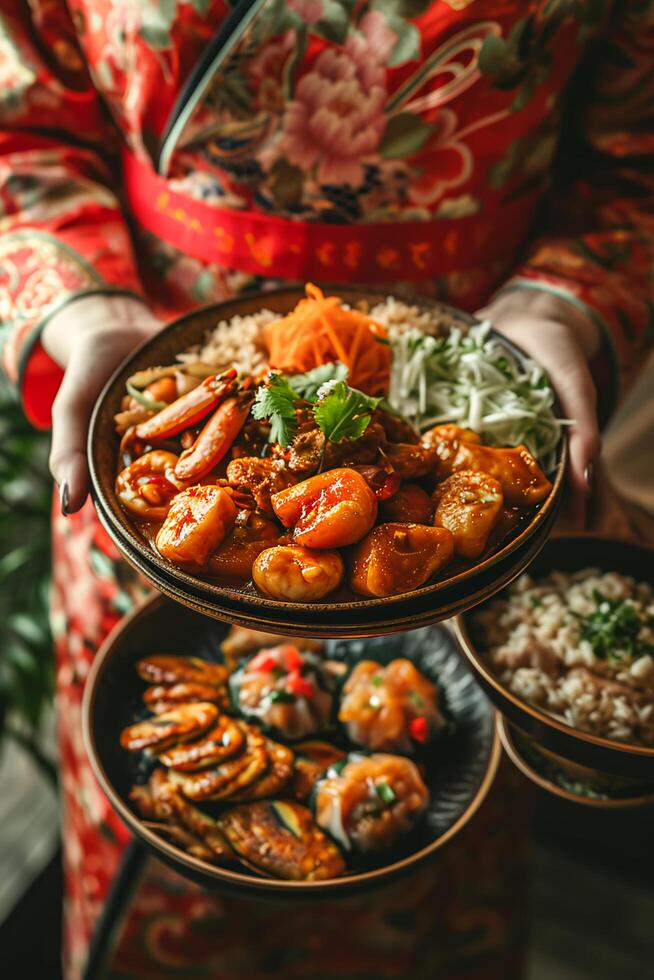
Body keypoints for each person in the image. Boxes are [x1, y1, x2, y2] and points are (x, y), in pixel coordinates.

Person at [1, 2, 653, 977]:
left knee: (427, 833)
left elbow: (634, 171)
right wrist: (88, 313)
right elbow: (19, 130)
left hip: (467, 396)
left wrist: (558, 308)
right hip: (146, 440)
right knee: (173, 807)